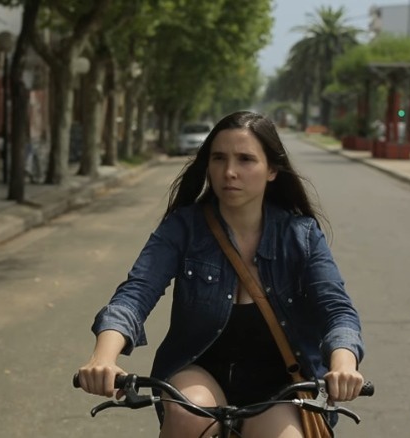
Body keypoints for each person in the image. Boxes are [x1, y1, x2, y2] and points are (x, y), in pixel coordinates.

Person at [76, 111, 365, 438]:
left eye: (245, 160)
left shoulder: (300, 235)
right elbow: (136, 292)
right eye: (219, 159)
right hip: (200, 371)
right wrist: (103, 357)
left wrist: (343, 366)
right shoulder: (183, 227)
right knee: (187, 416)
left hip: (281, 383)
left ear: (272, 170)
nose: (230, 172)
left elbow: (337, 310)